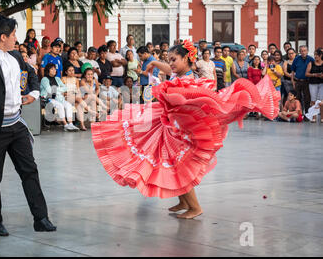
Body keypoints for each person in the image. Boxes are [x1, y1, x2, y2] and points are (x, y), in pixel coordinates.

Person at [91, 40, 280, 219]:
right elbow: (170, 73)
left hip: (184, 132)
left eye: (174, 60)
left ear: (186, 59)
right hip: (172, 127)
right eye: (169, 60)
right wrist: (155, 63)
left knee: (178, 167)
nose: (170, 63)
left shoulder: (190, 81)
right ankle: (183, 202)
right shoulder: (181, 76)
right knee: (165, 161)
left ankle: (195, 207)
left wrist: (167, 90)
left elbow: (189, 99)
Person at [0, 15, 56, 235]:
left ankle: (40, 218)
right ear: (3, 36)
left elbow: (31, 76)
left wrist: (33, 93)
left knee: (29, 170)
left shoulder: (16, 56)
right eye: (13, 34)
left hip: (17, 124)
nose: (16, 38)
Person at [41, 63, 79, 131]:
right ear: (48, 70)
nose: (54, 70)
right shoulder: (44, 79)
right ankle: (65, 125)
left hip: (59, 98)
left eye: (55, 69)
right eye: (52, 69)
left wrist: (56, 89)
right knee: (60, 106)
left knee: (68, 105)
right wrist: (59, 89)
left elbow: (65, 88)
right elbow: (49, 91)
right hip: (48, 99)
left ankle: (70, 124)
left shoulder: (57, 78)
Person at [61, 64, 91, 131]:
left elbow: (78, 90)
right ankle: (90, 111)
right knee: (78, 99)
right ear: (66, 72)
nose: (72, 72)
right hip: (66, 97)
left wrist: (79, 95)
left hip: (75, 97)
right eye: (69, 71)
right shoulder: (63, 79)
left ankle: (82, 125)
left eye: (73, 70)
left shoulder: (76, 79)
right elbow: (61, 92)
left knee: (79, 105)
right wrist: (69, 94)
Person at [291, 45, 314, 114]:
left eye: (304, 50)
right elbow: (292, 71)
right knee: (297, 98)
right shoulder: (296, 59)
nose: (303, 52)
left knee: (307, 99)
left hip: (307, 81)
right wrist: (293, 81)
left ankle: (307, 114)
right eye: (301, 51)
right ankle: (299, 113)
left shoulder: (311, 59)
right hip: (298, 81)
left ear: (307, 51)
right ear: (299, 51)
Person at [305, 48, 323, 123]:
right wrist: (314, 74)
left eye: (317, 55)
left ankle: (322, 117)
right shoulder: (311, 63)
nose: (315, 56)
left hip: (322, 83)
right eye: (315, 55)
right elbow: (306, 73)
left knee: (321, 101)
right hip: (313, 83)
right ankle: (313, 117)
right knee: (313, 100)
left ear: (321, 55)